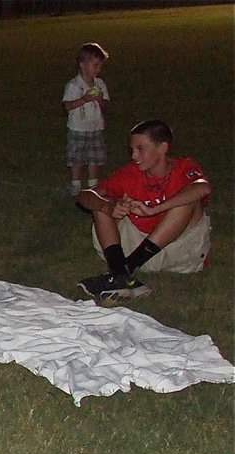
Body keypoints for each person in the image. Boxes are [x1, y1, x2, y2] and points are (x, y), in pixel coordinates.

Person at [76, 120, 212, 302]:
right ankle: (121, 273)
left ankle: (123, 272)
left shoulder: (183, 168)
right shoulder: (129, 174)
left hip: (179, 252)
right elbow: (85, 196)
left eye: (140, 149)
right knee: (101, 204)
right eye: (132, 149)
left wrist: (155, 209)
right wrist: (109, 207)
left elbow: (203, 188)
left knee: (188, 201)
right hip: (135, 245)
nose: (134, 155)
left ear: (163, 148)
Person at [63, 43, 110, 197]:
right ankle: (76, 184)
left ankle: (93, 185)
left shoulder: (100, 84)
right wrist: (84, 99)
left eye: (100, 65)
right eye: (94, 65)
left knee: (94, 158)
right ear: (82, 65)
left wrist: (99, 99)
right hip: (78, 128)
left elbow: (105, 106)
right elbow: (67, 106)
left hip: (95, 127)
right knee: (76, 157)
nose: (98, 69)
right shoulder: (74, 85)